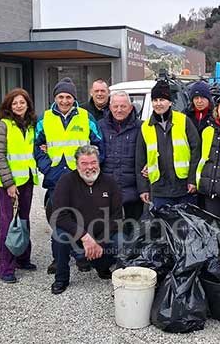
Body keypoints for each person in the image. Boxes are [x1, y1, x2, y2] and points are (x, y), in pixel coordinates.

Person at [34, 77, 104, 274]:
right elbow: (36, 148)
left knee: (82, 217)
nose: (64, 101)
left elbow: (99, 145)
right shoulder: (45, 118)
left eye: (68, 97)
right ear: (55, 98)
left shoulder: (86, 117)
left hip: (80, 178)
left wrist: (91, 169)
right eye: (61, 96)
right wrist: (47, 167)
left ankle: (81, 256)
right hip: (56, 178)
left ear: (74, 98)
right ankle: (59, 259)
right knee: (59, 219)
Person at [48, 145, 124, 294]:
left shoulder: (110, 182)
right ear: (77, 165)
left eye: (93, 162)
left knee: (121, 239)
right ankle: (61, 278)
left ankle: (106, 271)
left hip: (102, 235)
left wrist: (100, 242)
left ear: (98, 163)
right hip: (76, 234)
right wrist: (84, 236)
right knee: (59, 235)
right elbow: (59, 215)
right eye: (84, 163)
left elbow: (117, 217)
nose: (90, 167)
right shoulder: (66, 181)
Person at [0, 88, 39, 283]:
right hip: (9, 183)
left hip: (27, 180)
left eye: (22, 102)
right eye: (15, 103)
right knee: (8, 224)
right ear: (9, 106)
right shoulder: (3, 125)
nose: (19, 106)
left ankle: (22, 258)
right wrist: (9, 183)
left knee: (24, 220)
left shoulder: (30, 125)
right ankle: (6, 267)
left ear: (28, 104)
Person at [136, 79, 201, 208]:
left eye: (162, 100)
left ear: (170, 102)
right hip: (160, 189)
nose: (158, 104)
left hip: (184, 187)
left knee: (184, 226)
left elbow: (196, 151)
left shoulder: (183, 121)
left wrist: (193, 180)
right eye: (155, 100)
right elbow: (140, 160)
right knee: (164, 226)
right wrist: (143, 188)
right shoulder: (146, 127)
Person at [98, 91, 143, 233]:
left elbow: (151, 153)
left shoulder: (142, 127)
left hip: (133, 190)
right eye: (115, 106)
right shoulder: (100, 126)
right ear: (110, 107)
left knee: (133, 231)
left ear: (130, 108)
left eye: (123, 106)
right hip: (107, 188)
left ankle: (131, 254)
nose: (119, 110)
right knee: (108, 230)